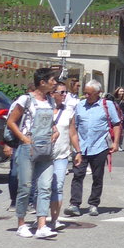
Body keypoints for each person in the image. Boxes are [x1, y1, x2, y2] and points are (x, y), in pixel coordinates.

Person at [6, 67, 60, 239]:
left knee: (45, 187)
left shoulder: (51, 101)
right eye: (52, 80)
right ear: (42, 82)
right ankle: (21, 224)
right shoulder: (26, 99)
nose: (55, 83)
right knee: (25, 187)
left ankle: (42, 225)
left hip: (46, 149)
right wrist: (23, 138)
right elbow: (11, 121)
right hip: (27, 148)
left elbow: (51, 124)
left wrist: (55, 132)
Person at [66, 80, 121, 217]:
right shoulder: (80, 106)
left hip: (99, 146)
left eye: (89, 93)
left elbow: (116, 124)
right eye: (84, 93)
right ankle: (74, 204)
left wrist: (115, 143)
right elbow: (74, 127)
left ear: (98, 93)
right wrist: (74, 146)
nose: (86, 95)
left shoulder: (107, 105)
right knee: (78, 175)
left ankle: (94, 204)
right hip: (81, 147)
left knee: (97, 177)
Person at [48, 82, 76, 230]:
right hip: (44, 156)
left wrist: (78, 151)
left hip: (62, 154)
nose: (65, 95)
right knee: (43, 188)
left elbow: (72, 132)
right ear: (52, 94)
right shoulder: (44, 108)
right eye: (62, 92)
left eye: (66, 92)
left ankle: (54, 219)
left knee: (57, 187)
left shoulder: (69, 111)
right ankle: (40, 217)